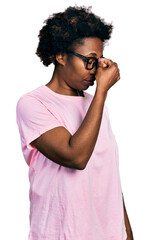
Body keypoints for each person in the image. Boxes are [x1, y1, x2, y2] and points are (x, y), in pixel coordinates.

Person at [16, 6, 133, 240]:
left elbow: (108, 175)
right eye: (90, 61)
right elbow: (75, 157)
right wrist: (101, 92)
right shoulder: (33, 104)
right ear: (61, 56)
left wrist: (127, 232)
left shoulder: (96, 106)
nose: (96, 71)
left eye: (99, 61)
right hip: (61, 233)